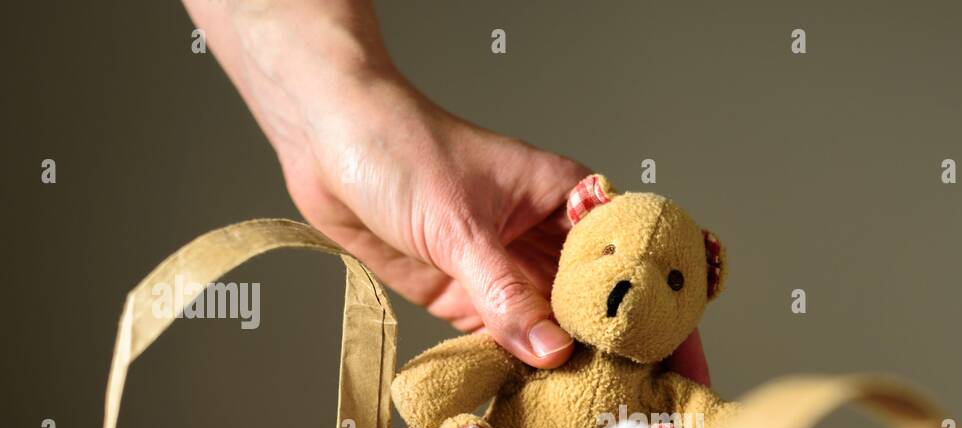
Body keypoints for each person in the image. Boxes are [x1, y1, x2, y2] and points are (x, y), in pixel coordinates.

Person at [182, 0, 710, 384]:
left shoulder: (658, 395)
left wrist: (320, 111)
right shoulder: (533, 319)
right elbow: (431, 390)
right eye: (611, 250)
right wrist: (331, 110)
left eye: (674, 279)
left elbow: (711, 421)